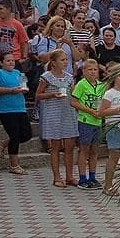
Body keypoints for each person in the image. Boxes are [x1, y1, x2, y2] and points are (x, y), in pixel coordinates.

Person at [36, 50, 79, 187]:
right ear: (53, 63)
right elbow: (38, 95)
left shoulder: (69, 77)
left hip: (68, 112)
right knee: (55, 146)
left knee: (69, 146)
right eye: (62, 60)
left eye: (66, 59)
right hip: (53, 114)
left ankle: (70, 176)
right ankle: (56, 177)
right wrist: (52, 94)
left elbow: (73, 94)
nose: (65, 62)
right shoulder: (46, 77)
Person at [0, 52, 32, 174]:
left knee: (27, 134)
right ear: (1, 62)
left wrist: (23, 89)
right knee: (15, 135)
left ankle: (2, 144)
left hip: (20, 108)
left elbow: (24, 85)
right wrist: (10, 90)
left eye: (12, 60)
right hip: (7, 110)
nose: (11, 63)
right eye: (8, 61)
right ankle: (14, 165)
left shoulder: (18, 73)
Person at [71, 59, 108, 188]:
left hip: (97, 121)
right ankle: (82, 178)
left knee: (95, 151)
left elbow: (102, 102)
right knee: (84, 150)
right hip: (85, 121)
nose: (93, 72)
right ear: (84, 71)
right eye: (90, 70)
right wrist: (89, 111)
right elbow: (74, 102)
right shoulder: (81, 84)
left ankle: (92, 177)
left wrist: (101, 112)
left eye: (95, 69)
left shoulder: (101, 86)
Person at [0, 0, 29, 97]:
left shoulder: (17, 24)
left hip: (14, 59)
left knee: (17, 84)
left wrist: (23, 57)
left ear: (8, 9)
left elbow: (24, 41)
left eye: (1, 8)